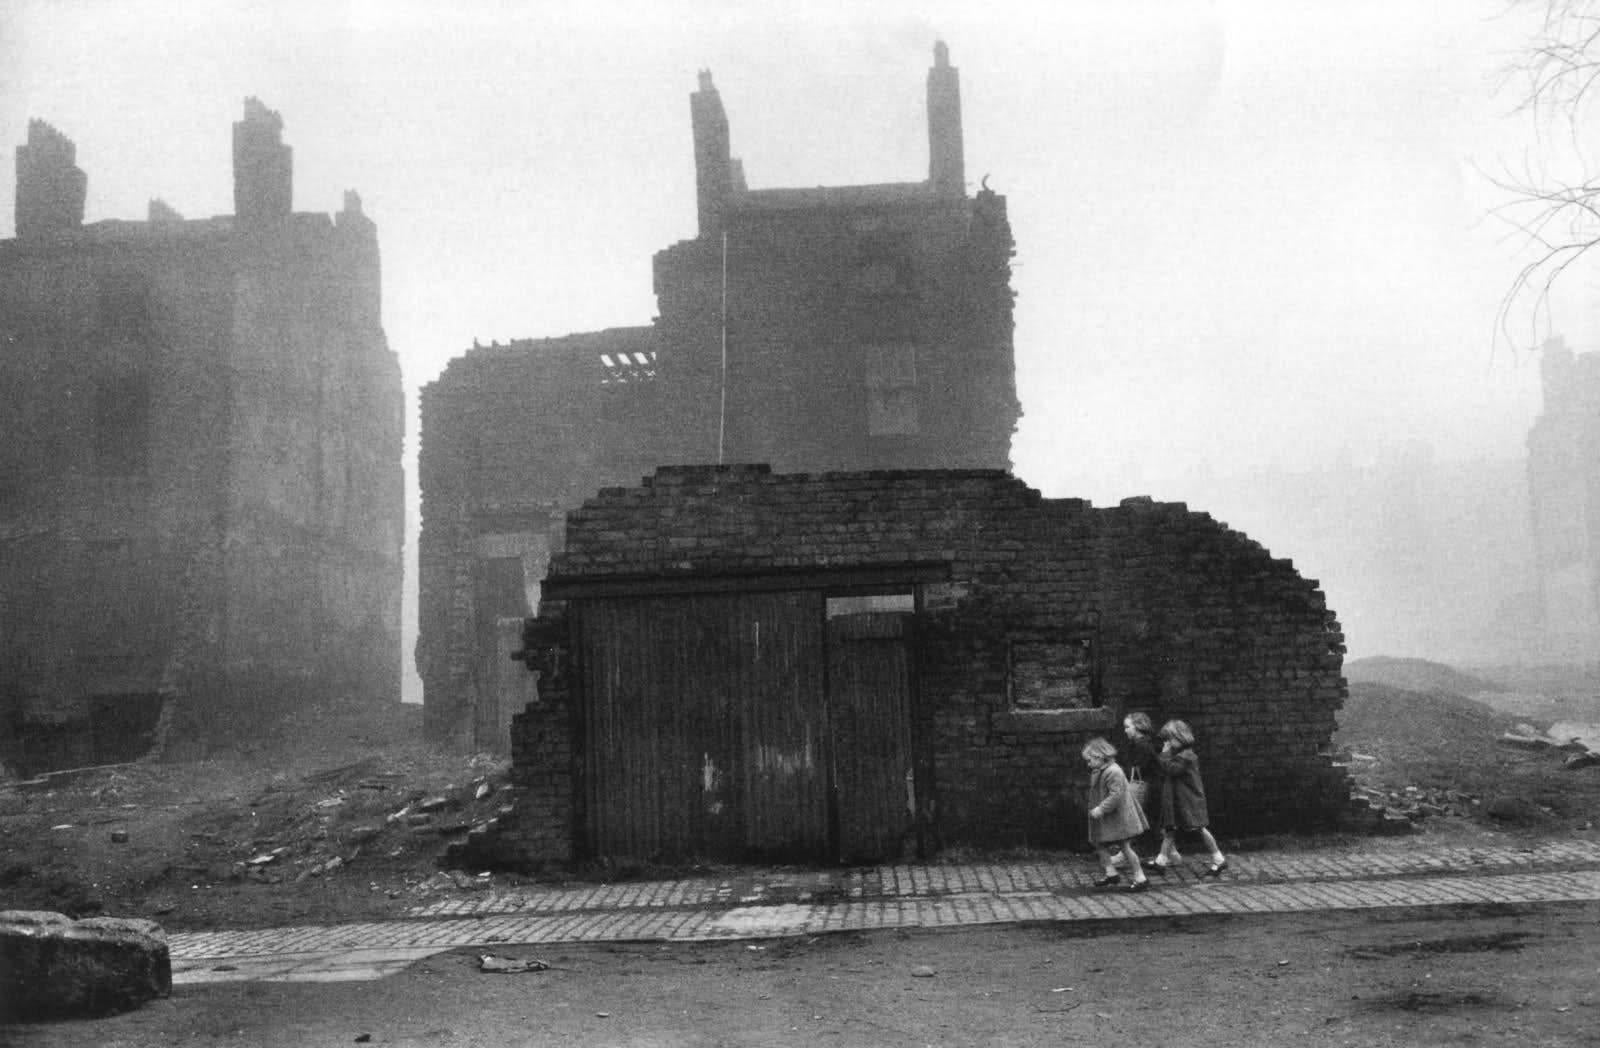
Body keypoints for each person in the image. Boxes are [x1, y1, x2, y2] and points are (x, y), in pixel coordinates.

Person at [1152, 719, 1228, 877]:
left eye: (1170, 739)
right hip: (1180, 800)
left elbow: (1172, 770)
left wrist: (1164, 754)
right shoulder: (1180, 754)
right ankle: (1161, 861)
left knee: (1199, 828)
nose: (1168, 743)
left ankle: (1219, 859)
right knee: (1170, 830)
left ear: (1181, 737)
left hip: (1189, 801)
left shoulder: (1186, 756)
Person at [1082, 736, 1150, 892]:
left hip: (1119, 817)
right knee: (1099, 843)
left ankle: (1140, 877)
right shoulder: (1100, 770)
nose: (1088, 763)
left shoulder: (1113, 772)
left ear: (1099, 757)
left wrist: (1101, 808)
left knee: (1125, 847)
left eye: (1090, 760)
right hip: (1109, 818)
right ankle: (1111, 873)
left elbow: (1116, 795)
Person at [1119, 711, 1179, 870]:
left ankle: (1124, 854)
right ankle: (1172, 854)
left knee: (1134, 819)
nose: (1125, 730)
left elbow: (1139, 767)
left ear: (1138, 727)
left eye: (1127, 727)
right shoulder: (1143, 743)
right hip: (1153, 786)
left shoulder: (1141, 745)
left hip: (1148, 787)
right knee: (1155, 822)